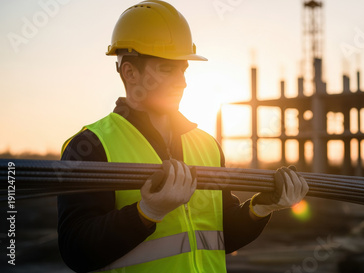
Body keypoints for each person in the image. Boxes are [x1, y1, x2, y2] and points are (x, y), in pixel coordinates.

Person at [57, 1, 309, 272]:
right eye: (167, 69)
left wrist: (259, 208)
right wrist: (146, 213)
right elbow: (77, 252)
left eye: (183, 69)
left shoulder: (206, 145)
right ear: (129, 72)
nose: (183, 82)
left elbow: (221, 237)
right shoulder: (91, 146)